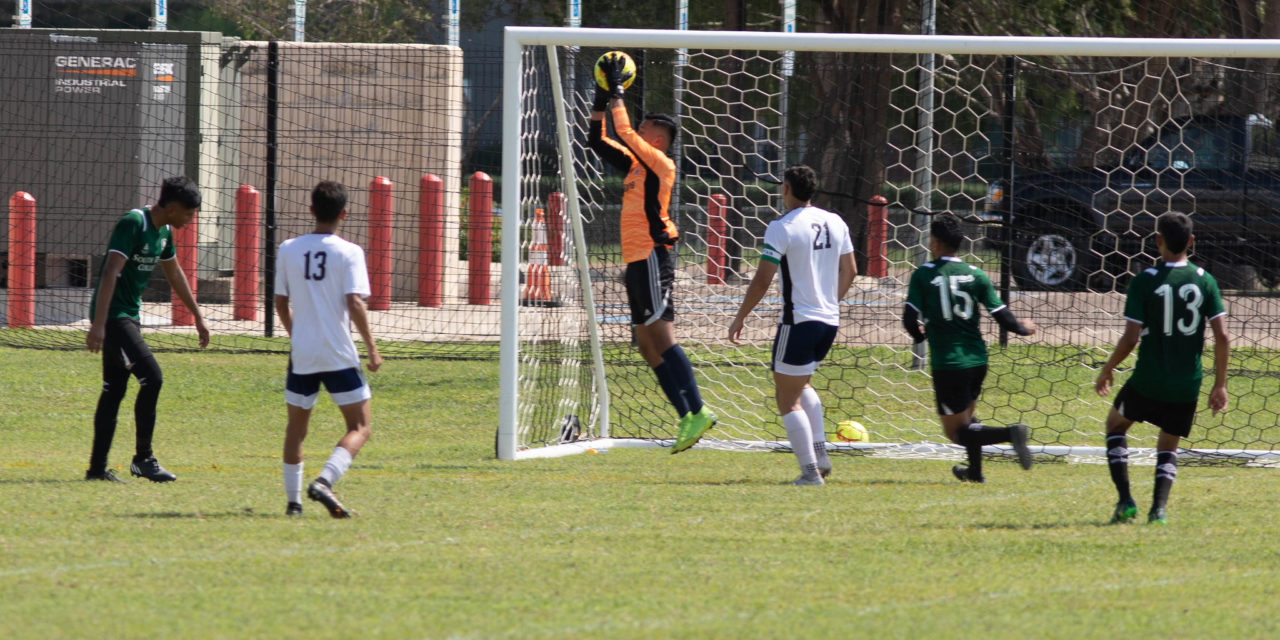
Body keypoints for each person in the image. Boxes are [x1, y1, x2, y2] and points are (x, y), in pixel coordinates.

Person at [587, 52, 715, 453]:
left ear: (656, 140)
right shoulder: (634, 166)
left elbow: (623, 130)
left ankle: (698, 409)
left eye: (646, 128)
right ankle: (686, 417)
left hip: (652, 257)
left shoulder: (660, 163)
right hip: (634, 261)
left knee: (661, 336)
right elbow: (597, 139)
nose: (638, 130)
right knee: (644, 344)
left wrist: (618, 90)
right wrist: (598, 96)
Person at [1095, 211, 1229, 525]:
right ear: (1191, 242)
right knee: (1168, 444)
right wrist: (1219, 385)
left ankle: (1126, 500)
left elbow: (1130, 339)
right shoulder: (1204, 280)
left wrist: (1108, 368)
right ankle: (1159, 511)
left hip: (1148, 379)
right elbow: (1222, 336)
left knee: (1115, 426)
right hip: (1187, 382)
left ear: (1157, 241)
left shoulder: (1145, 282)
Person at [728, 165, 856, 485]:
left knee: (787, 398)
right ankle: (821, 456)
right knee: (802, 385)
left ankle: (811, 473)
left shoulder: (781, 227)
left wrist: (741, 315)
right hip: (829, 322)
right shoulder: (835, 221)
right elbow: (850, 270)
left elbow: (761, 280)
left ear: (786, 189)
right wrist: (831, 302)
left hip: (798, 322)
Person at [85, 176, 209, 483]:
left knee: (113, 391)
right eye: (189, 214)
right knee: (152, 378)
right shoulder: (134, 223)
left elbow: (175, 273)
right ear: (172, 207)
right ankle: (143, 459)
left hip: (129, 316)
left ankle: (97, 470)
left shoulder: (164, 230)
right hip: (114, 317)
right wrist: (99, 325)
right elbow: (110, 273)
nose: (190, 220)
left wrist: (197, 315)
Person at [274, 181, 383, 518]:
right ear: (344, 214)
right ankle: (324, 481)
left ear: (311, 210)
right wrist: (371, 347)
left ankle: (294, 503)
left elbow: (280, 301)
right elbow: (354, 302)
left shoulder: (288, 248)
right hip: (337, 351)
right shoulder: (350, 252)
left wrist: (297, 334)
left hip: (302, 353)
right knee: (360, 426)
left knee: (296, 428)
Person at [902, 213, 1037, 483]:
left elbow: (908, 318)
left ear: (935, 242)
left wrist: (918, 336)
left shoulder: (923, 275)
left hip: (949, 364)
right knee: (969, 419)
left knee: (956, 433)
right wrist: (1022, 328)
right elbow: (1001, 315)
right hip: (977, 361)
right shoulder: (976, 274)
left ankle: (1011, 434)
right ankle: (975, 472)